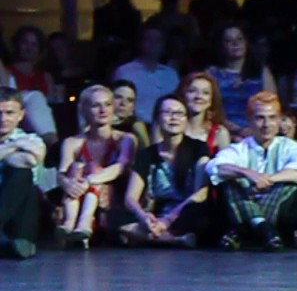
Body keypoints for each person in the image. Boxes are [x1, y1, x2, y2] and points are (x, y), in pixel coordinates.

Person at [205, 92, 297, 251]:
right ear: (249, 121)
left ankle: (244, 231)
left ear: (278, 120)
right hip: (247, 205)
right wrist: (248, 173)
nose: (266, 124)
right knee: (229, 182)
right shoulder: (240, 148)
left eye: (272, 118)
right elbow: (215, 167)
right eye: (260, 118)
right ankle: (264, 230)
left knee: (291, 184)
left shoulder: (288, 146)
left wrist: (269, 179)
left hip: (282, 213)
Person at [118, 95, 211, 248]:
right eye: (167, 113)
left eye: (179, 113)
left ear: (186, 119)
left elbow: (201, 192)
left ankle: (145, 236)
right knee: (115, 218)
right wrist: (143, 216)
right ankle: (173, 240)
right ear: (157, 119)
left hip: (184, 210)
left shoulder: (199, 148)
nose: (173, 118)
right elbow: (130, 198)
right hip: (157, 213)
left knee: (200, 215)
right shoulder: (147, 154)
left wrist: (168, 219)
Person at [56, 85, 136, 248]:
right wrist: (69, 184)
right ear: (84, 110)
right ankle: (72, 223)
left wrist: (88, 180)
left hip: (115, 194)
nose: (102, 110)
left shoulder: (125, 139)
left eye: (107, 104)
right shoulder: (72, 142)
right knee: (76, 168)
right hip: (81, 195)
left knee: (93, 168)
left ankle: (84, 221)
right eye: (95, 105)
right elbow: (61, 173)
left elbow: (119, 168)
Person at [0, 87, 44, 259]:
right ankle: (15, 242)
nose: (3, 119)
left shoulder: (33, 139)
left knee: (22, 175)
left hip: (18, 210)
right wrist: (13, 146)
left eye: (10, 113)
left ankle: (20, 241)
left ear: (21, 115)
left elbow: (31, 160)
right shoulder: (23, 143)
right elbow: (24, 157)